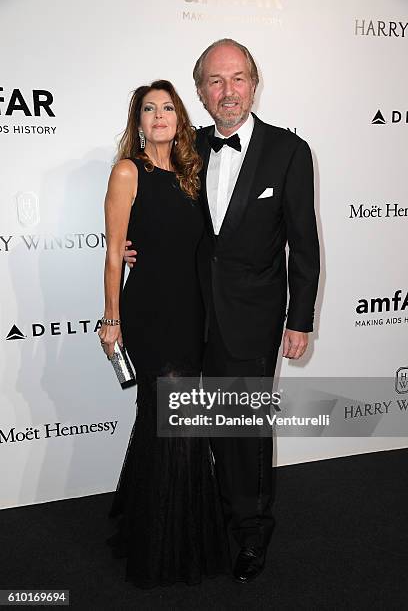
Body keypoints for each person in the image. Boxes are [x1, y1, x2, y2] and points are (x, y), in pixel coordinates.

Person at [125, 39, 320, 584]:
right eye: (215, 81)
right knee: (192, 430)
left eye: (237, 79)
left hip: (251, 319)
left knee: (243, 436)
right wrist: (127, 245)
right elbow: (149, 207)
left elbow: (303, 244)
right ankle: (196, 523)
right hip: (185, 316)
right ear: (201, 92)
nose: (227, 91)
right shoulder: (184, 147)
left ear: (253, 84)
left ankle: (251, 533)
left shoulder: (288, 152)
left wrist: (298, 320)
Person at [98, 79, 229, 589]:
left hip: (191, 312)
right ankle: (162, 545)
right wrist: (112, 318)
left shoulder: (193, 174)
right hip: (150, 312)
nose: (158, 116)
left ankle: (147, 523)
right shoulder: (129, 172)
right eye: (149, 109)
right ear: (138, 122)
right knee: (173, 417)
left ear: (180, 118)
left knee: (168, 418)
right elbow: (114, 254)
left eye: (167, 108)